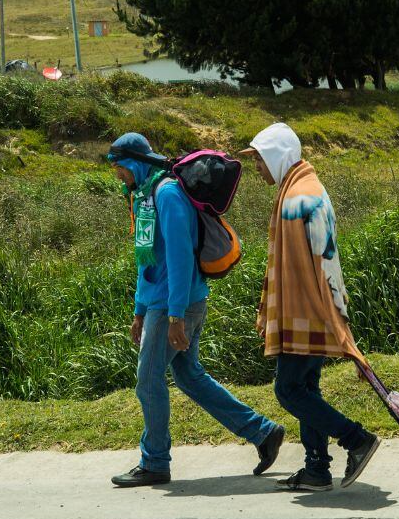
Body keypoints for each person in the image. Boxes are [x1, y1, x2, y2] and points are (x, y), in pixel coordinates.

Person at [106, 133, 285, 487]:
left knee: (148, 381)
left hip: (176, 305)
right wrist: (139, 311)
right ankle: (263, 433)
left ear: (135, 163)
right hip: (165, 304)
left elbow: (180, 258)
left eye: (120, 168)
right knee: (188, 376)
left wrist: (175, 316)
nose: (119, 176)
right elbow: (147, 260)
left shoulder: (167, 194)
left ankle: (155, 462)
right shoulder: (145, 196)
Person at [242, 122, 378, 492]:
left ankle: (356, 439)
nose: (257, 167)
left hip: (306, 311)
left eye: (259, 159)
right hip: (305, 309)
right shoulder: (300, 189)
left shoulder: (301, 197)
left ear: (277, 155)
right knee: (306, 388)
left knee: (288, 390)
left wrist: (335, 314)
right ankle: (317, 469)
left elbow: (326, 260)